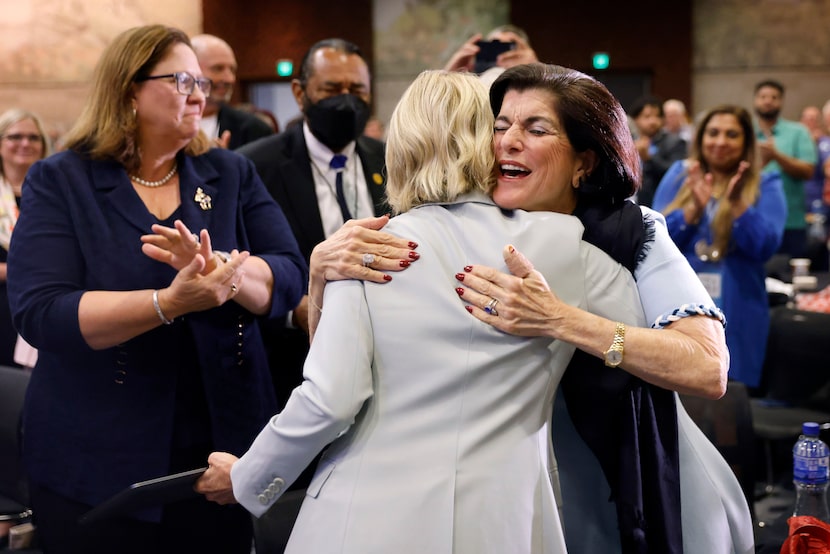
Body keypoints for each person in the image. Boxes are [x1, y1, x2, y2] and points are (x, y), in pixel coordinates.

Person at [306, 64, 753, 553]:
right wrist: (322, 274)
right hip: (511, 490)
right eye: (498, 127)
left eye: (535, 130)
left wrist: (563, 320)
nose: (507, 143)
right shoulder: (462, 231)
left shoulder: (632, 232)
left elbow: (709, 369)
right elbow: (341, 376)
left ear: (584, 162)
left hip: (628, 472)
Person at [197, 69, 646, 553]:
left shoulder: (364, 247)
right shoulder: (569, 247)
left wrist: (248, 477)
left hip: (369, 516)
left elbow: (331, 398)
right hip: (506, 518)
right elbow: (646, 346)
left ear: (402, 144)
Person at [6, 24, 306, 553]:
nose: (199, 93)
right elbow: (43, 311)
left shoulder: (229, 172)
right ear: (128, 89)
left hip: (220, 450)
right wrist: (168, 303)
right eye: (183, 78)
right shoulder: (62, 180)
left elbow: (286, 276)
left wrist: (227, 274)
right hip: (97, 450)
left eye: (203, 83)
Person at [236, 38, 392, 408]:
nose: (345, 99)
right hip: (293, 365)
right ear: (300, 92)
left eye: (356, 89)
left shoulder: (391, 160)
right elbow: (241, 262)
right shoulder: (255, 166)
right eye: (331, 89)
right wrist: (295, 308)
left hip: (385, 359)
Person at [653, 105, 787, 389]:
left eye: (732, 134)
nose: (720, 141)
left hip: (739, 305)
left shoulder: (767, 183)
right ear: (701, 138)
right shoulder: (680, 174)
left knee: (729, 396)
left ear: (746, 142)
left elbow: (765, 247)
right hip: (679, 302)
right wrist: (692, 211)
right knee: (678, 390)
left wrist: (738, 205)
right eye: (713, 133)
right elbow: (654, 241)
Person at [0, 108, 51, 368]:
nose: (25, 143)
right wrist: (20, 271)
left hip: (45, 306)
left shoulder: (55, 195)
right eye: (15, 136)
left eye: (34, 138)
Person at [753, 79, 817, 258]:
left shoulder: (798, 132)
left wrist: (776, 156)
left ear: (781, 101)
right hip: (750, 220)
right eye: (763, 96)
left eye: (774, 97)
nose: (768, 101)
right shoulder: (744, 131)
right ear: (755, 100)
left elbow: (808, 170)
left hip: (792, 223)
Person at [190, 34, 274, 149]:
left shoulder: (253, 130)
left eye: (232, 70)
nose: (229, 79)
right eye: (218, 68)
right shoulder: (166, 124)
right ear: (190, 69)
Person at [629, 95, 688, 207]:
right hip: (632, 204)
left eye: (657, 116)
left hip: (662, 205)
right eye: (647, 116)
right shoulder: (628, 142)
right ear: (635, 119)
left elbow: (676, 174)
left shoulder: (675, 142)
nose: (653, 121)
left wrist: (649, 158)